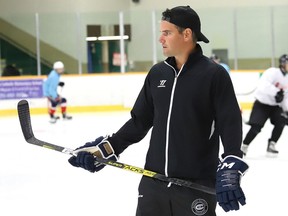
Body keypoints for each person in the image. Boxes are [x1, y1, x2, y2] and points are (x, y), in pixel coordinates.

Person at [68, 6, 248, 216]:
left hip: (195, 187)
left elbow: (230, 121)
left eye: (167, 32)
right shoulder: (157, 73)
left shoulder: (213, 75)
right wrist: (106, 150)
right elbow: (139, 122)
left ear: (187, 34)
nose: (160, 39)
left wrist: (231, 161)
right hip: (153, 185)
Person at [241, 54, 288, 156]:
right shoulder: (272, 72)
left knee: (281, 121)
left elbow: (285, 96)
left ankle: (272, 144)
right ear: (283, 63)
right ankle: (244, 146)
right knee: (256, 127)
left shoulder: (287, 78)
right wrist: (276, 92)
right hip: (261, 105)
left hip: (275, 107)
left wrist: (286, 110)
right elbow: (263, 85)